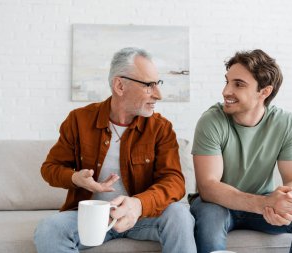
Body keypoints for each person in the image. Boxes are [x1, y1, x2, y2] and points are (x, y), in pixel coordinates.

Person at [34, 47, 196, 253]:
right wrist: (75, 178)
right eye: (149, 85)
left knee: (180, 215)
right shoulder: (78, 120)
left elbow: (174, 181)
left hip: (142, 217)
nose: (159, 94)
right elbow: (50, 168)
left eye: (158, 84)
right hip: (92, 218)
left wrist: (138, 204)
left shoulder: (160, 128)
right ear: (120, 85)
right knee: (49, 229)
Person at [190, 49, 292, 253]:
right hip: (217, 204)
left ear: (264, 91)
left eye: (238, 84)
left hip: (264, 201)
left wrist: (286, 201)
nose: (226, 91)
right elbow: (208, 187)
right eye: (227, 81)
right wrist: (264, 204)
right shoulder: (211, 121)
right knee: (210, 220)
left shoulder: (285, 122)